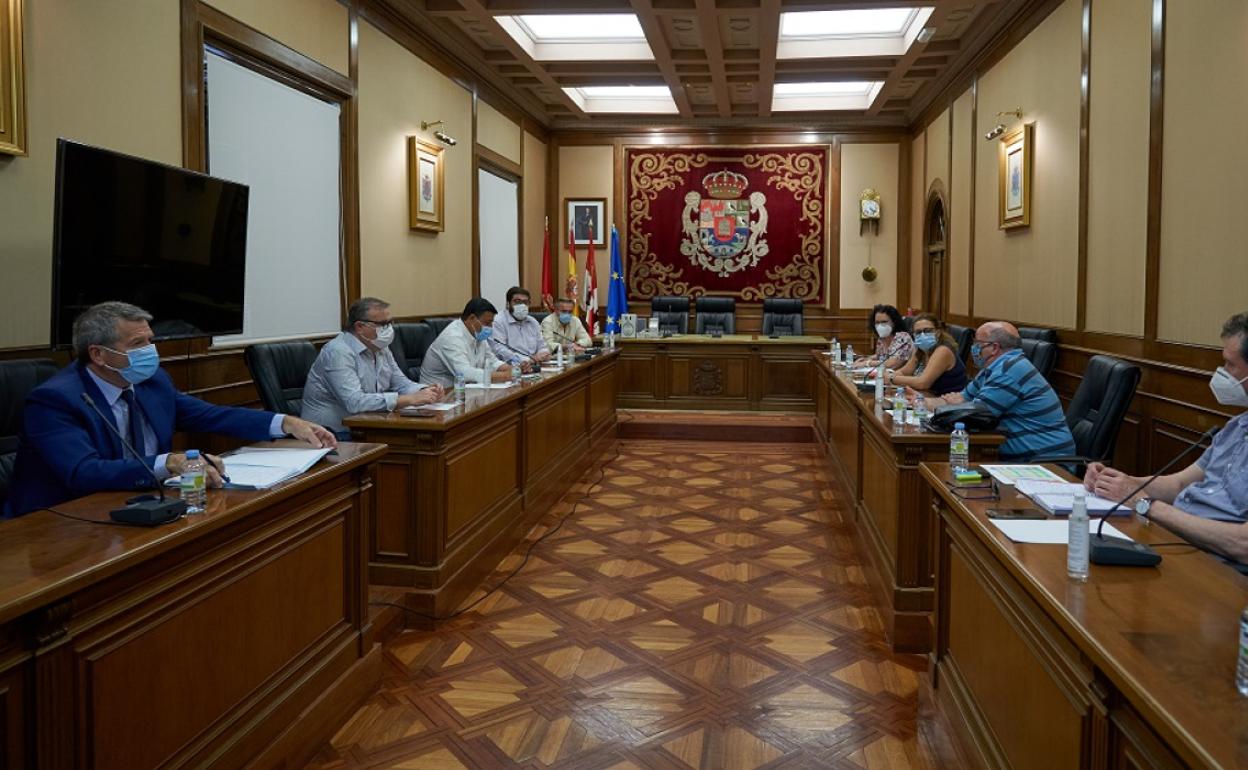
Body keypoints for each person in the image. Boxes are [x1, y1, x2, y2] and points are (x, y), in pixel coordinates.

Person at [5, 301, 336, 518]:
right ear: (99, 355)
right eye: (138, 345)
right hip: (60, 524)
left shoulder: (151, 383)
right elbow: (83, 473)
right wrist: (171, 462)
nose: (151, 351)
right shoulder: (54, 400)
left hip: (141, 508)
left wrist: (287, 422)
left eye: (151, 341)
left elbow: (211, 415)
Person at [1083, 312, 1248, 566]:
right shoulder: (1237, 425)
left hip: (1218, 568)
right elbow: (1179, 483)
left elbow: (1242, 544)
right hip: (1177, 541)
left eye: (1230, 365)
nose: (1221, 373)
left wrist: (1145, 504)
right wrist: (1120, 483)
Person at [911, 321, 1075, 461]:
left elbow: (973, 416)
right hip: (1016, 455)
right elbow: (963, 401)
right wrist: (921, 401)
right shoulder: (992, 368)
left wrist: (962, 407)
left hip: (1042, 461)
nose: (973, 348)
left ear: (994, 348)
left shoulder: (1009, 371)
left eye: (977, 344)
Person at [300, 297, 445, 436]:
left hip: (367, 426)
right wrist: (409, 399)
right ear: (360, 327)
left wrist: (425, 391)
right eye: (383, 324)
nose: (389, 329)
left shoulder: (380, 347)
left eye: (390, 323)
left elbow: (400, 383)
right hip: (331, 433)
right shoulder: (338, 352)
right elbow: (354, 402)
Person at [419, 297, 513, 388]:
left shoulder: (478, 335)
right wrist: (503, 376)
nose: (490, 327)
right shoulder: (452, 337)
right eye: (487, 323)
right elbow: (465, 374)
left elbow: (491, 361)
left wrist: (510, 370)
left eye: (491, 323)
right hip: (437, 394)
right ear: (472, 318)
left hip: (464, 390)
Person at [886, 313, 967, 396]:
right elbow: (904, 372)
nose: (922, 335)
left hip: (946, 402)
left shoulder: (943, 350)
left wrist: (892, 378)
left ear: (938, 332)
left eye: (927, 331)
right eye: (918, 332)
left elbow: (923, 383)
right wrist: (888, 374)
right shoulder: (920, 350)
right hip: (925, 396)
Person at [490, 287, 549, 369]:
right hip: (512, 368)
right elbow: (499, 350)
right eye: (517, 302)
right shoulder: (498, 321)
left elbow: (542, 346)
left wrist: (542, 354)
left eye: (525, 302)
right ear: (508, 304)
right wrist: (528, 360)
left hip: (536, 365)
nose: (522, 305)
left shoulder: (533, 322)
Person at [861, 304, 913, 369]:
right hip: (884, 375)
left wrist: (867, 363)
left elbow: (892, 364)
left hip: (900, 376)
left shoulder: (903, 338)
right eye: (877, 322)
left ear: (894, 322)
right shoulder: (882, 338)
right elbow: (878, 356)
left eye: (884, 322)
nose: (880, 326)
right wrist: (864, 359)